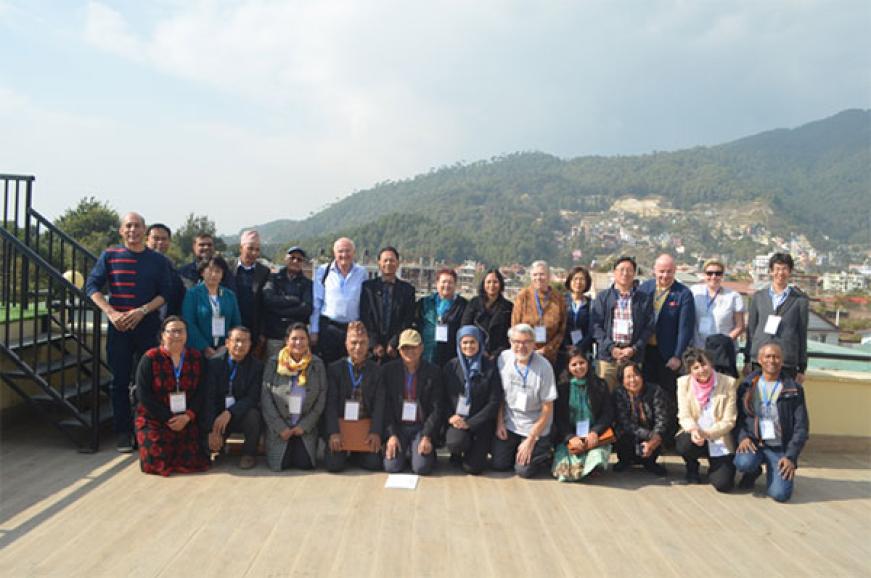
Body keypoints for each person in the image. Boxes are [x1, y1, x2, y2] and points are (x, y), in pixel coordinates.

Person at [86, 211, 171, 452]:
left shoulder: (158, 260)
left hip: (148, 327)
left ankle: (151, 427)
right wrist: (111, 313)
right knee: (119, 382)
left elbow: (166, 293)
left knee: (151, 380)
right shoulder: (109, 256)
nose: (133, 230)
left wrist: (142, 311)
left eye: (137, 226)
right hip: (119, 328)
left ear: (145, 230)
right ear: (121, 231)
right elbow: (91, 287)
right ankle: (123, 432)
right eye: (128, 226)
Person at [734, 342, 809, 502]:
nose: (772, 360)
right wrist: (742, 437)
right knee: (743, 463)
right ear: (760, 360)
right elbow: (738, 417)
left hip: (779, 447)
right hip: (754, 442)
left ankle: (773, 470)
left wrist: (790, 457)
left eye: (776, 357)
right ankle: (752, 472)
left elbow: (801, 427)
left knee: (779, 494)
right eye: (768, 356)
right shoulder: (747, 386)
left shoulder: (794, 389)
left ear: (782, 361)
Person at [134, 316, 210, 476]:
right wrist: (167, 417)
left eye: (180, 331)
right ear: (162, 335)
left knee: (196, 460)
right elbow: (143, 394)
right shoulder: (150, 358)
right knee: (156, 460)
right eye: (172, 331)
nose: (177, 335)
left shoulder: (196, 357)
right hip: (155, 418)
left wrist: (187, 417)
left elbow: (202, 391)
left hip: (186, 417)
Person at [492, 324, 557, 478]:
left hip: (535, 426)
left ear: (534, 344)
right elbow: (500, 395)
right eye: (517, 342)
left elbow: (548, 407)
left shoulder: (544, 367)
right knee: (499, 464)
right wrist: (500, 422)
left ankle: (543, 451)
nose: (521, 346)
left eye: (527, 342)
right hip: (511, 423)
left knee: (524, 471)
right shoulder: (504, 358)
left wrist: (531, 438)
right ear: (510, 341)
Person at [261, 323, 327, 471]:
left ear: (308, 341)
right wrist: (280, 427)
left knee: (304, 464)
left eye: (302, 338)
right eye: (294, 338)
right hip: (279, 427)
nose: (298, 343)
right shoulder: (273, 363)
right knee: (281, 464)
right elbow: (266, 398)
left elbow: (321, 398)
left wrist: (304, 426)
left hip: (304, 427)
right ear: (286, 340)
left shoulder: (317, 364)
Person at [323, 322, 385, 472]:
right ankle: (346, 451)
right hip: (341, 428)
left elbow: (379, 404)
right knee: (334, 466)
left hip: (365, 428)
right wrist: (333, 432)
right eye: (354, 343)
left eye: (362, 343)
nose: (358, 347)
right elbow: (330, 404)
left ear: (368, 344)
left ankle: (357, 453)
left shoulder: (377, 371)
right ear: (346, 344)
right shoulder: (334, 369)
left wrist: (376, 432)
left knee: (374, 464)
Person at [675, 348, 737, 491]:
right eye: (695, 367)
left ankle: (715, 465)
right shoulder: (683, 383)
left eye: (704, 365)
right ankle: (692, 467)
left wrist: (708, 434)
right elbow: (684, 415)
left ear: (711, 364)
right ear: (690, 370)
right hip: (695, 434)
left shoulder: (728, 383)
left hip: (718, 437)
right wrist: (694, 430)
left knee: (723, 484)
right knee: (684, 444)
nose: (701, 370)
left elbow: (729, 420)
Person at [442, 326, 502, 474]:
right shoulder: (451, 366)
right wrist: (451, 417)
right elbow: (441, 397)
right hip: (457, 419)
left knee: (473, 468)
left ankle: (473, 452)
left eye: (472, 342)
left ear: (479, 343)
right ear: (459, 344)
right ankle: (458, 452)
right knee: (456, 442)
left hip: (481, 423)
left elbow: (494, 401)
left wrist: (470, 423)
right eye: (465, 342)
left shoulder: (489, 367)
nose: (468, 346)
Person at [382, 329, 443, 475]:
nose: (409, 351)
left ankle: (424, 451)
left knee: (421, 468)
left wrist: (427, 436)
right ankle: (403, 450)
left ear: (421, 348)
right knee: (392, 467)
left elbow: (437, 408)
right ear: (399, 350)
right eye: (405, 348)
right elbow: (385, 406)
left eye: (413, 347)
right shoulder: (388, 371)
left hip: (420, 427)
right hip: (398, 427)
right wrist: (391, 435)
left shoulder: (433, 372)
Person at [591, 256, 655, 391]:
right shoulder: (603, 297)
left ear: (635, 273)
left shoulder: (643, 299)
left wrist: (634, 348)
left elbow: (648, 327)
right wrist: (611, 348)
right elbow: (596, 327)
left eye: (629, 270)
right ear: (614, 272)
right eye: (621, 270)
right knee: (606, 396)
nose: (625, 273)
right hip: (608, 358)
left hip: (633, 357)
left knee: (632, 395)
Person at [204, 326, 263, 469]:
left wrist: (230, 412)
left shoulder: (256, 366)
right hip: (218, 415)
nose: (240, 345)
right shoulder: (214, 363)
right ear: (227, 343)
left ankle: (248, 454)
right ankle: (218, 446)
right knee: (204, 452)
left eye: (245, 341)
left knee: (253, 415)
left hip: (239, 414)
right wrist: (212, 429)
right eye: (236, 340)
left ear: (250, 344)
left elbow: (252, 397)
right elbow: (208, 397)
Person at [637, 254, 695, 402]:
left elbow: (685, 328)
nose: (665, 275)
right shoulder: (644, 288)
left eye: (669, 271)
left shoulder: (683, 294)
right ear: (654, 270)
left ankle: (667, 425)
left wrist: (677, 355)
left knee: (667, 394)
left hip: (668, 354)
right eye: (661, 271)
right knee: (645, 392)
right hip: (645, 350)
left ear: (675, 271)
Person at [744, 253, 809, 383]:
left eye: (784, 269)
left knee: (784, 401)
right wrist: (747, 359)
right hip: (759, 359)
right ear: (771, 271)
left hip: (786, 361)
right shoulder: (759, 297)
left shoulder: (800, 300)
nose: (780, 273)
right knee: (756, 400)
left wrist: (802, 367)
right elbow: (751, 329)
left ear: (790, 272)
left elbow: (802, 333)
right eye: (777, 269)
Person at [552, 347, 613, 482]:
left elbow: (607, 413)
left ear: (587, 363)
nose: (579, 367)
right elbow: (559, 417)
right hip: (571, 436)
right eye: (574, 364)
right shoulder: (562, 387)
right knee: (564, 469)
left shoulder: (600, 384)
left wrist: (595, 432)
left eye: (582, 363)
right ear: (568, 367)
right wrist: (570, 437)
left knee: (596, 457)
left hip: (594, 435)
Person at [310, 237, 369, 365]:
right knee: (328, 366)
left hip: (352, 329)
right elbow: (317, 303)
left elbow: (366, 303)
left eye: (348, 251)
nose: (344, 255)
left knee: (350, 367)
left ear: (353, 253)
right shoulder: (322, 271)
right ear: (334, 253)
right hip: (328, 328)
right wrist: (314, 330)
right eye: (340, 251)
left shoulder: (362, 273)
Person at [612, 361, 671, 476]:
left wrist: (654, 440)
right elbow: (625, 423)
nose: (633, 380)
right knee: (620, 431)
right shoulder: (618, 393)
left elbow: (662, 418)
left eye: (636, 375)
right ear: (622, 380)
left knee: (664, 431)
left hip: (652, 435)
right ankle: (624, 460)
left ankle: (650, 462)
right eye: (628, 377)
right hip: (632, 434)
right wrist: (649, 435)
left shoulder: (655, 391)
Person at [359, 246, 416, 363]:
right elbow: (365, 317)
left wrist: (394, 343)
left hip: (396, 349)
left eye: (392, 260)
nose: (388, 263)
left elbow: (407, 319)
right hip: (372, 350)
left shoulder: (407, 290)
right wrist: (374, 344)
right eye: (385, 260)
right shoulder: (368, 287)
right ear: (379, 263)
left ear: (398, 263)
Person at [181, 256, 241, 358]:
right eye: (210, 270)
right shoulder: (192, 294)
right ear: (202, 272)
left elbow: (236, 323)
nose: (214, 275)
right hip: (198, 351)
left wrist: (228, 344)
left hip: (225, 350)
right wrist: (204, 347)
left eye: (218, 271)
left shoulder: (229, 295)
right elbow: (189, 323)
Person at [261, 245, 314, 360]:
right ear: (285, 259)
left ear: (303, 263)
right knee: (273, 368)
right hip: (274, 334)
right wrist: (293, 300)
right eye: (292, 257)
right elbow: (268, 300)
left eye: (299, 259)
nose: (295, 261)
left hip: (297, 338)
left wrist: (279, 310)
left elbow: (306, 308)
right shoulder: (272, 278)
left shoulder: (308, 284)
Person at [511, 260, 566, 366]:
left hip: (550, 356)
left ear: (549, 276)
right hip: (525, 353)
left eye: (542, 274)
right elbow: (515, 326)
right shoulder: (523, 296)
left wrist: (547, 349)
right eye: (535, 275)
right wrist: (529, 349)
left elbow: (561, 330)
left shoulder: (558, 298)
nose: (538, 278)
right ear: (531, 276)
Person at [415, 268, 468, 367]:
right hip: (427, 354)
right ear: (437, 283)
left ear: (455, 284)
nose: (446, 285)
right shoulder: (424, 303)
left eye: (450, 282)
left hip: (451, 355)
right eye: (443, 282)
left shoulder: (463, 305)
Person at [227, 230, 271, 347]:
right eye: (250, 248)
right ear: (241, 248)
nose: (253, 253)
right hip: (230, 323)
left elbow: (265, 305)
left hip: (253, 325)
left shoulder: (264, 272)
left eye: (257, 250)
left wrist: (263, 331)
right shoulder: (227, 268)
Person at [691, 259, 745, 350]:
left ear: (722, 275)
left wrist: (724, 342)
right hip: (698, 348)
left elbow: (740, 326)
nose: (713, 276)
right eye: (709, 273)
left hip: (723, 350)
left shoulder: (733, 296)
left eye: (718, 273)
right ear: (704, 275)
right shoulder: (694, 292)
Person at [460, 268, 514, 360]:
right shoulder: (474, 303)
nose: (492, 285)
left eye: (495, 282)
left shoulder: (508, 307)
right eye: (488, 282)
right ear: (483, 284)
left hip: (500, 354)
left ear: (500, 284)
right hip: (475, 352)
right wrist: (480, 349)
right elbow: (465, 328)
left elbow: (511, 333)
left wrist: (497, 353)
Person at [145, 223, 185, 318]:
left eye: (164, 239)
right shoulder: (137, 264)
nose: (160, 242)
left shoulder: (172, 268)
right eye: (156, 238)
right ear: (147, 240)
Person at [562, 265, 594, 360]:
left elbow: (592, 330)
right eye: (575, 279)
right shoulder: (561, 301)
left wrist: (579, 346)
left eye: (582, 279)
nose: (578, 282)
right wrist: (566, 345)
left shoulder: (591, 304)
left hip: (584, 351)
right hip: (564, 350)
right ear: (569, 281)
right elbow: (558, 326)